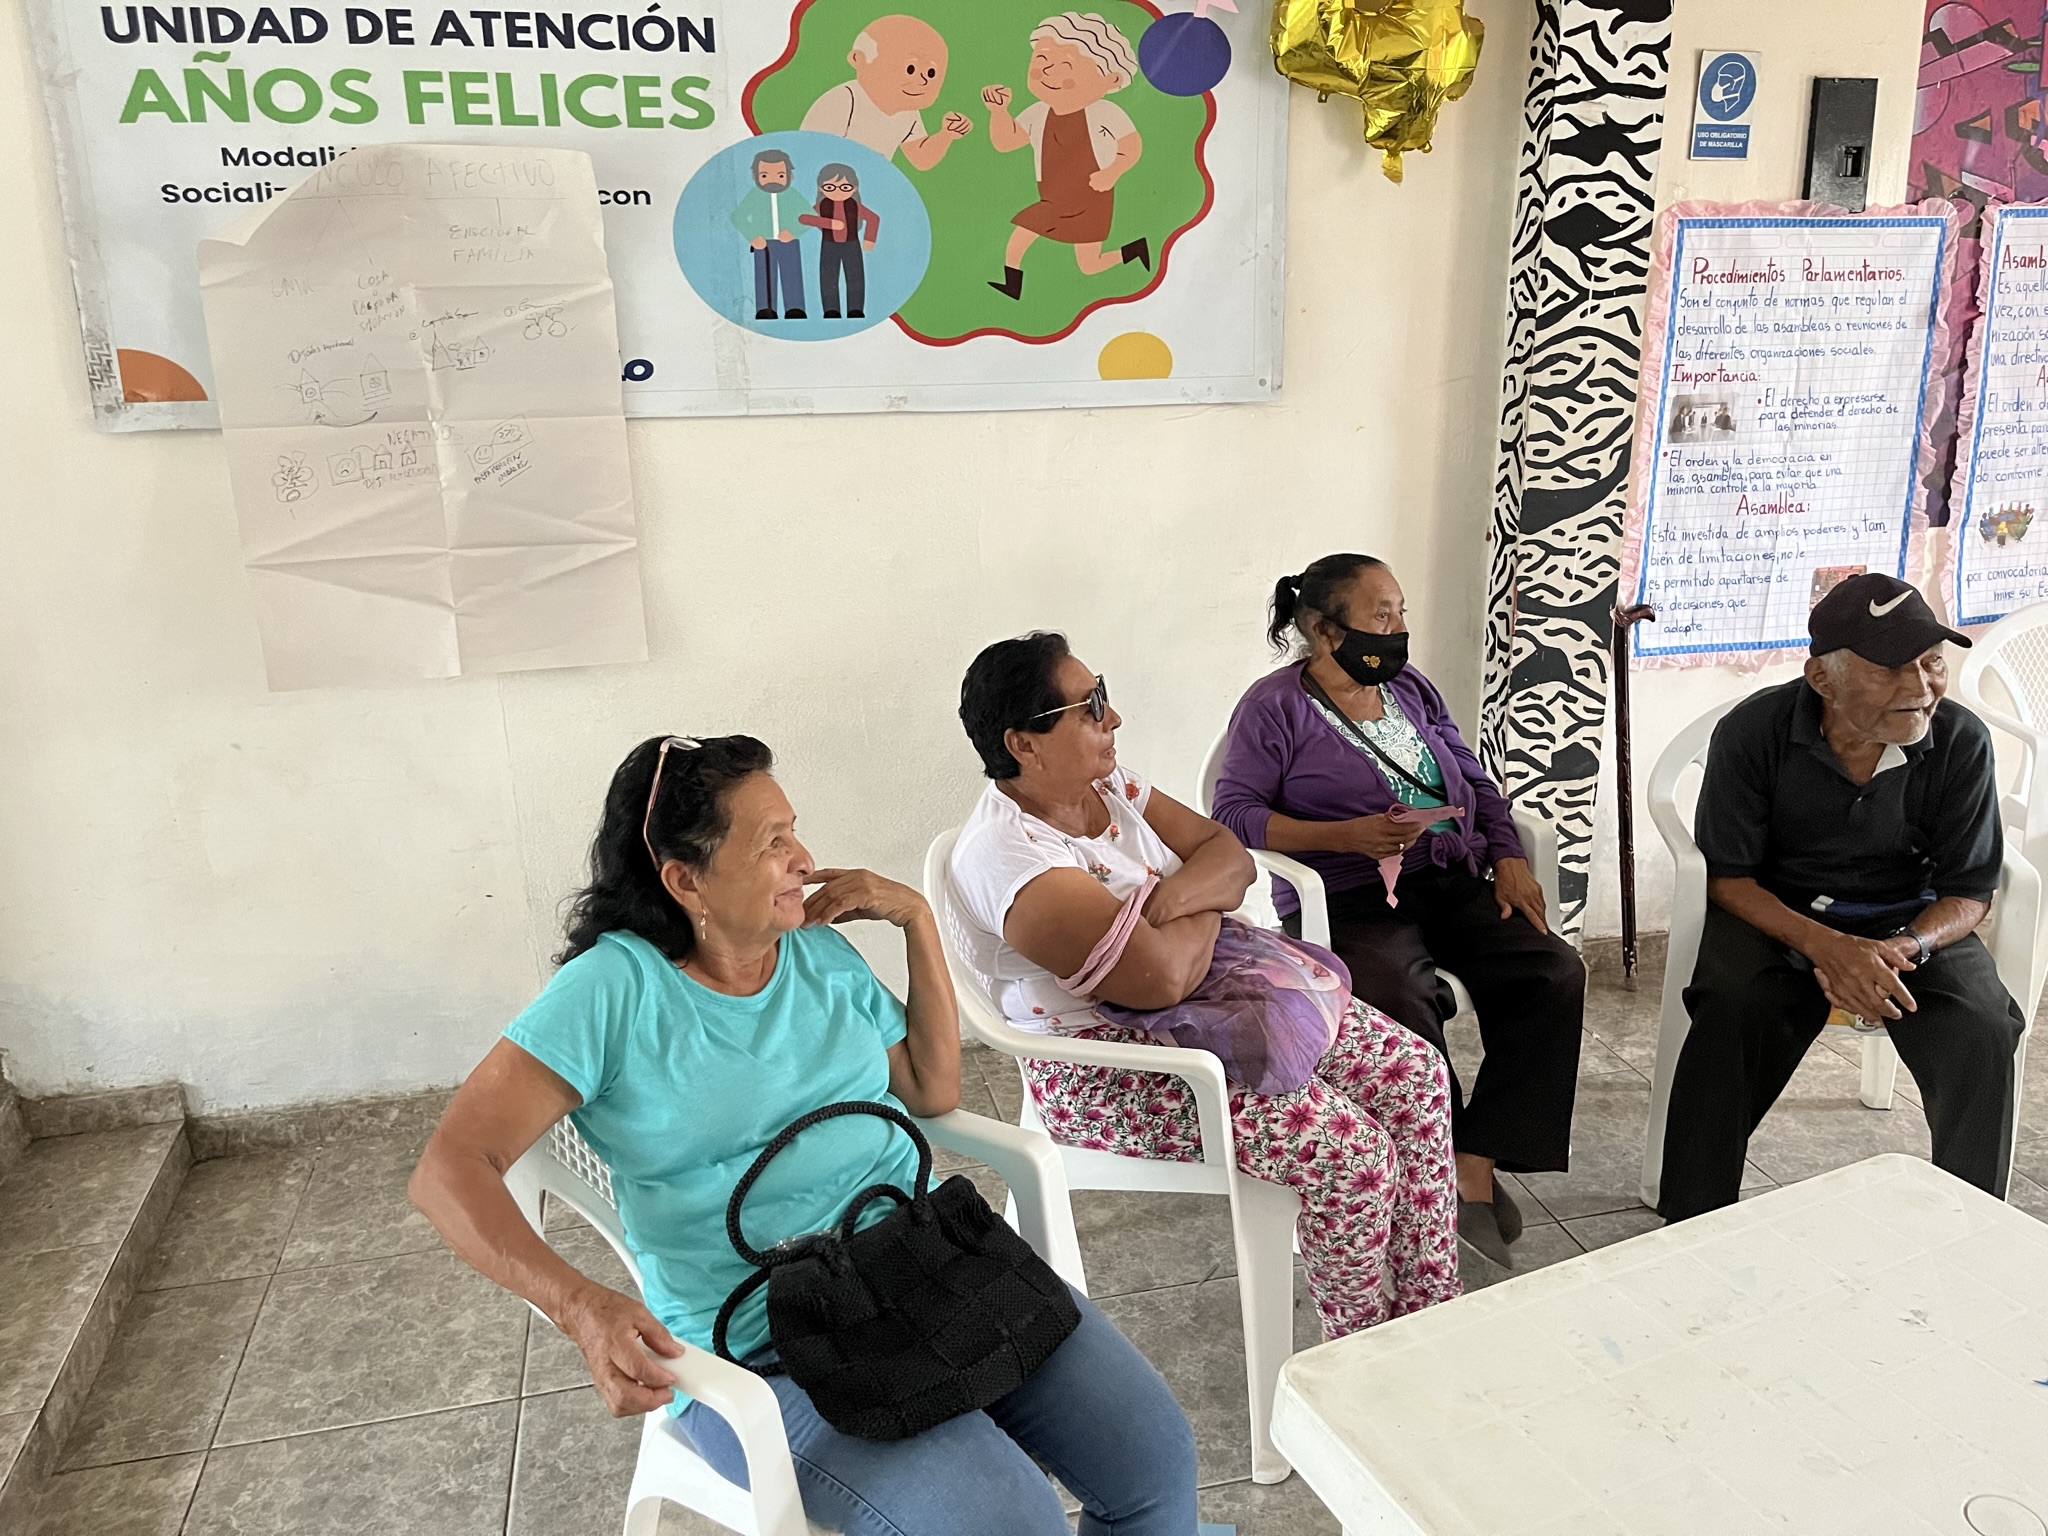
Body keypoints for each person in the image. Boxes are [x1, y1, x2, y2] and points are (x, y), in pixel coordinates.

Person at [409, 735, 1200, 1536]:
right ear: (685, 880)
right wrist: (580, 1306)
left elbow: (931, 1088)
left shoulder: (817, 952)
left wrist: (917, 920)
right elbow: (450, 1169)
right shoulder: (610, 992)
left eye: (794, 830)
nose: (804, 859)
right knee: (1008, 1523)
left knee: (1154, 1462)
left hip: (925, 1263)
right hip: (762, 1339)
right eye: (771, 843)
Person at [947, 634, 1462, 1338]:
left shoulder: (1112, 787)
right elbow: (1159, 981)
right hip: (1108, 1063)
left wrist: (1163, 903)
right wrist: (1199, 899)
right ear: (1023, 744)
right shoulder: (1010, 860)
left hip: (1220, 994)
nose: (1113, 717)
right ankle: (1359, 1352)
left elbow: (1230, 856)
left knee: (1417, 1075)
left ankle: (1429, 1318)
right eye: (1090, 706)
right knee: (1352, 1156)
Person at [1210, 555, 1585, 1268]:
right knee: (1399, 995)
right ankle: (1438, 1172)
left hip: (1447, 875)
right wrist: (1344, 836)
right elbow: (1233, 815)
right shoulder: (1274, 707)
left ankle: (1471, 1157)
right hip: (1346, 896)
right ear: (1324, 629)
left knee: (1552, 971)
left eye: (1401, 612)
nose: (1397, 628)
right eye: (1381, 615)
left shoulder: (1409, 687)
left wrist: (1508, 854)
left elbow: (1473, 778)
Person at [1656, 575, 2025, 1222]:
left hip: (1909, 925)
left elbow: (1970, 893)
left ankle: (1974, 1223)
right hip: (1779, 916)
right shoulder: (1755, 732)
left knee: (1983, 1026)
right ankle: (1692, 1218)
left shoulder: (1960, 740)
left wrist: (1902, 948)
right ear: (1823, 680)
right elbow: (1728, 878)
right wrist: (1830, 948)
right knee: (1732, 1008)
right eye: (1890, 669)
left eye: (1932, 662)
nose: (1920, 687)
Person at [982, 12, 1151, 301]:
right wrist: (999, 112)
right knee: (1023, 230)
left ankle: (1133, 251)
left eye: (1066, 65)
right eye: (1042, 60)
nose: (1048, 72)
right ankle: (1012, 283)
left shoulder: (1105, 113)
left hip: (1092, 197)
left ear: (1110, 79)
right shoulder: (1038, 112)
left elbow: (1131, 146)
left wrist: (1112, 172)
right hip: (1054, 196)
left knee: (1090, 265)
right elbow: (1006, 142)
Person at [801, 15, 974, 169]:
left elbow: (921, 158)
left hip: (870, 185)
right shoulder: (845, 99)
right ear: (858, 59)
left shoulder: (909, 113)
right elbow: (811, 150)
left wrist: (946, 135)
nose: (922, 81)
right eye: (911, 69)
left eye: (931, 73)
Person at [730, 148, 807, 321]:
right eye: (765, 175)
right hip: (763, 244)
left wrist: (793, 231)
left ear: (790, 176)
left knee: (792, 275)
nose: (773, 180)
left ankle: (795, 307)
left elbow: (808, 217)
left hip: (789, 242)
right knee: (764, 275)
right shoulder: (754, 196)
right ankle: (765, 308)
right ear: (754, 176)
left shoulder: (793, 195)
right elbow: (738, 216)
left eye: (780, 175)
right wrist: (752, 236)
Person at [799, 163, 880, 319]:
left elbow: (873, 218)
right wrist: (829, 224)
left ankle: (855, 309)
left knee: (855, 277)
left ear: (854, 188)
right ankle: (831, 309)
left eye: (844, 187)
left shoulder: (854, 205)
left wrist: (869, 239)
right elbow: (804, 218)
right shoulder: (822, 205)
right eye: (830, 187)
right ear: (821, 188)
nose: (837, 192)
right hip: (829, 246)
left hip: (852, 245)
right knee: (828, 278)